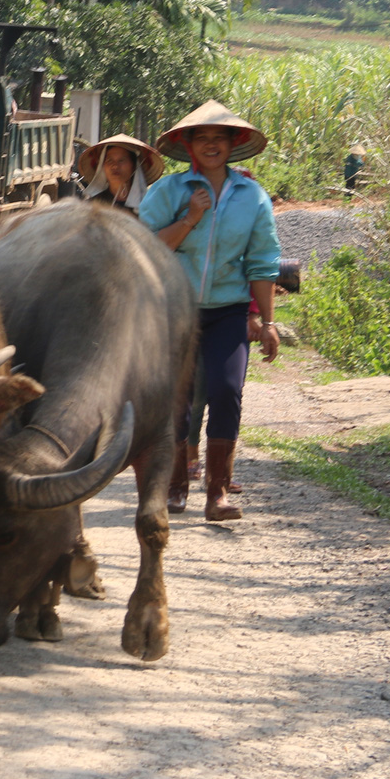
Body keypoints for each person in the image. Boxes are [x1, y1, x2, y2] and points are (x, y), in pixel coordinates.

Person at [137, 101, 281, 521]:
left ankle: (216, 493)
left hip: (228, 311)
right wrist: (191, 218)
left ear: (234, 143)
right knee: (177, 399)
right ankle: (176, 486)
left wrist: (268, 322)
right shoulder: (168, 192)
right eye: (203, 138)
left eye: (220, 137)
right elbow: (146, 248)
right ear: (189, 144)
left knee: (226, 390)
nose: (213, 144)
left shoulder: (252, 196)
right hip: (175, 309)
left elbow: (263, 262)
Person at [75, 134, 163, 213]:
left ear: (134, 166)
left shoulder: (148, 205)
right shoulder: (93, 205)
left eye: (121, 160)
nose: (115, 166)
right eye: (109, 160)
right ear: (102, 166)